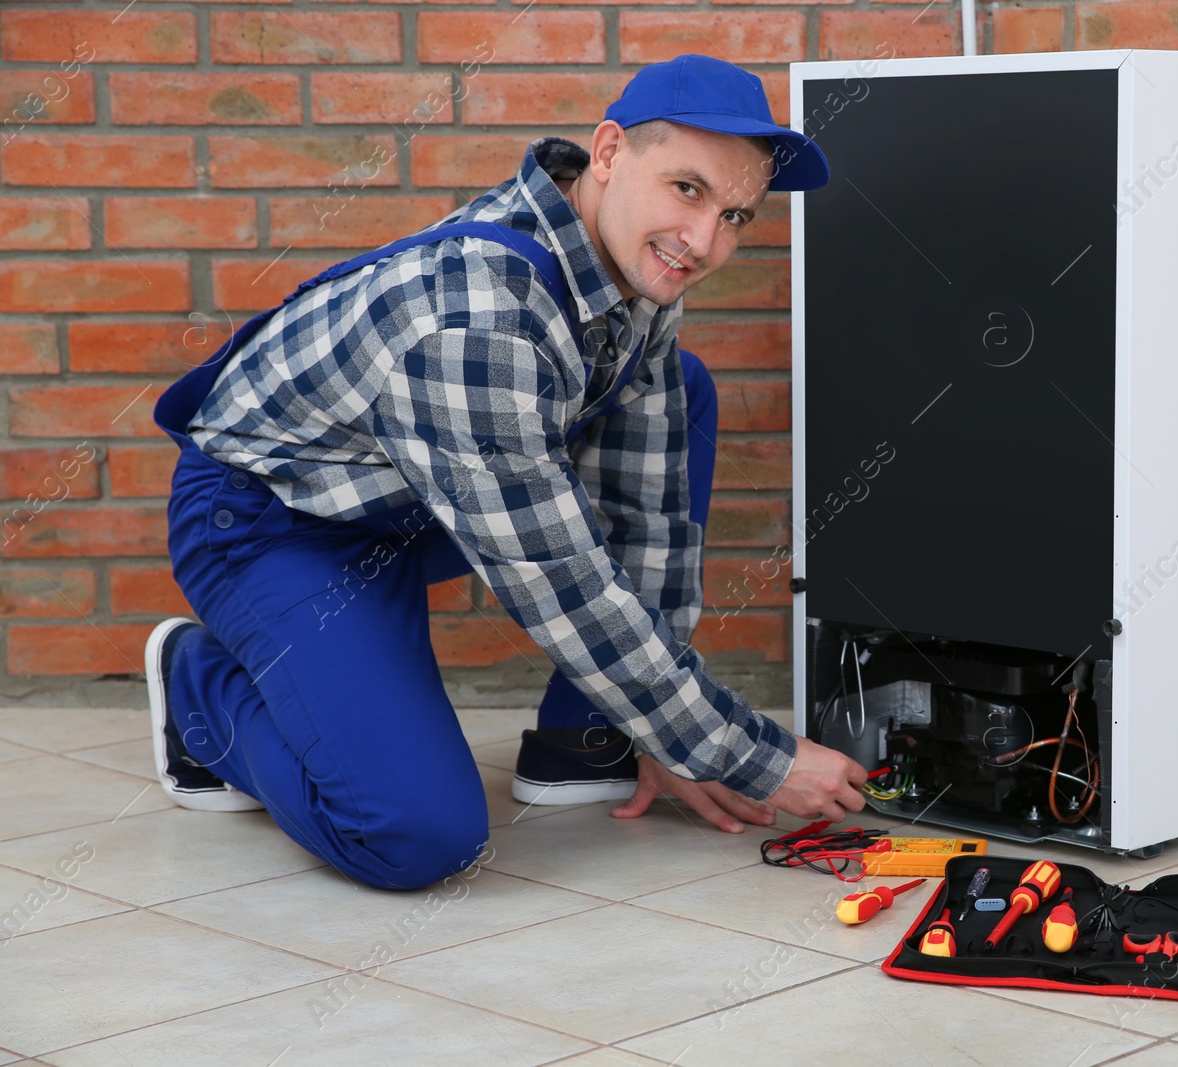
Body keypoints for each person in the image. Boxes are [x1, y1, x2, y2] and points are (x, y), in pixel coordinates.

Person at [145, 54, 868, 892]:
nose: (706, 242)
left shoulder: (640, 269)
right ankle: (199, 690)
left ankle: (584, 735)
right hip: (271, 524)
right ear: (607, 153)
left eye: (736, 214)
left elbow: (649, 514)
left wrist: (669, 739)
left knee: (684, 390)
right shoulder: (478, 319)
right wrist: (748, 756)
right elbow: (559, 579)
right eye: (688, 189)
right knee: (415, 836)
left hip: (413, 504)